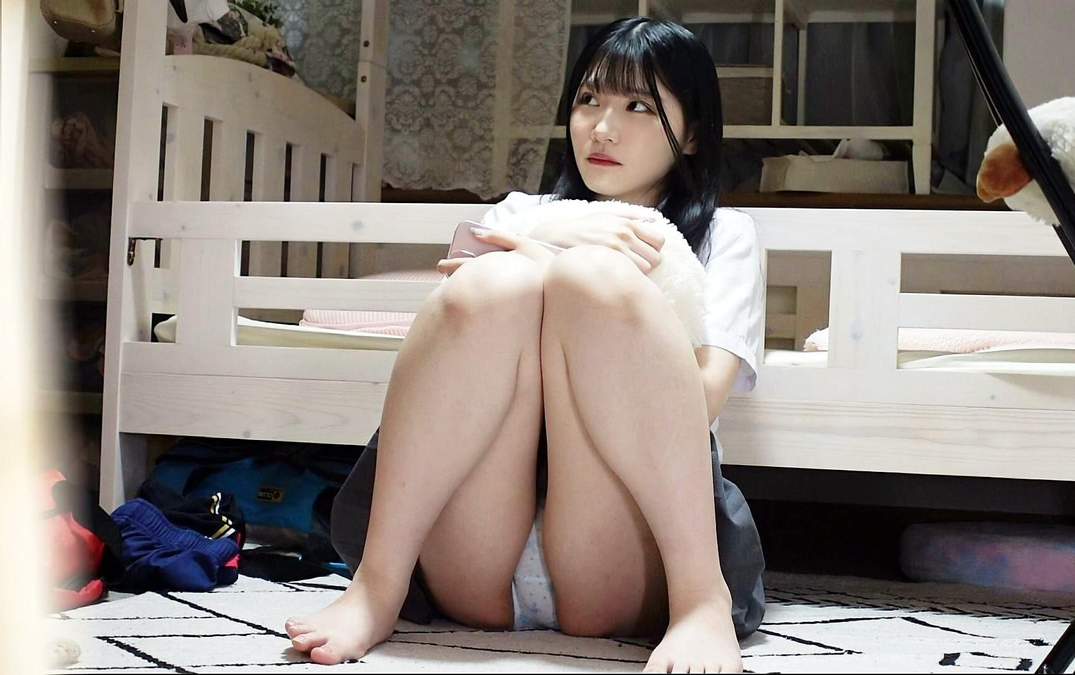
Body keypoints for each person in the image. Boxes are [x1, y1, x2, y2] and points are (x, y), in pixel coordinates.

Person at [285, 16, 766, 673]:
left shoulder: (723, 235)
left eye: (637, 106)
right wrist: (553, 238)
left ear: (692, 135)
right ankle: (375, 587)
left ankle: (699, 601)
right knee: (497, 282)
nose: (601, 127)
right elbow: (456, 323)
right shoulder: (520, 212)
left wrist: (570, 263)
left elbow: (704, 398)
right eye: (588, 99)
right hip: (478, 555)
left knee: (591, 280)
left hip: (620, 556)